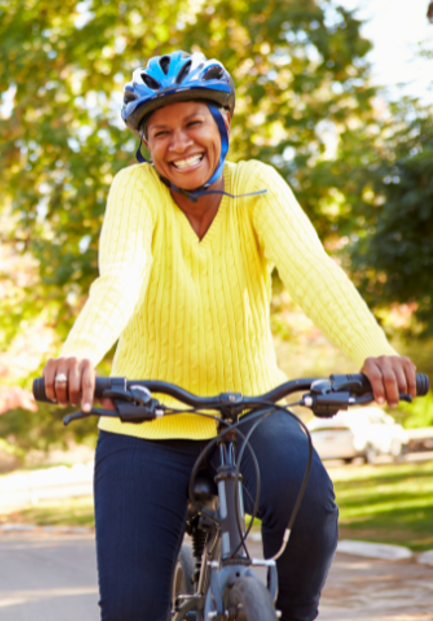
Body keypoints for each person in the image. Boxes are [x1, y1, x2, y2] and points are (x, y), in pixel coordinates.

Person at [41, 51, 418, 621]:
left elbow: (311, 269)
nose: (179, 144)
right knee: (130, 610)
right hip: (145, 424)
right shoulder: (135, 189)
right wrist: (80, 353)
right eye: (160, 133)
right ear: (145, 145)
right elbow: (122, 275)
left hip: (252, 414)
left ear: (223, 124)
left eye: (193, 123)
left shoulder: (256, 184)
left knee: (314, 509)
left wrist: (376, 352)